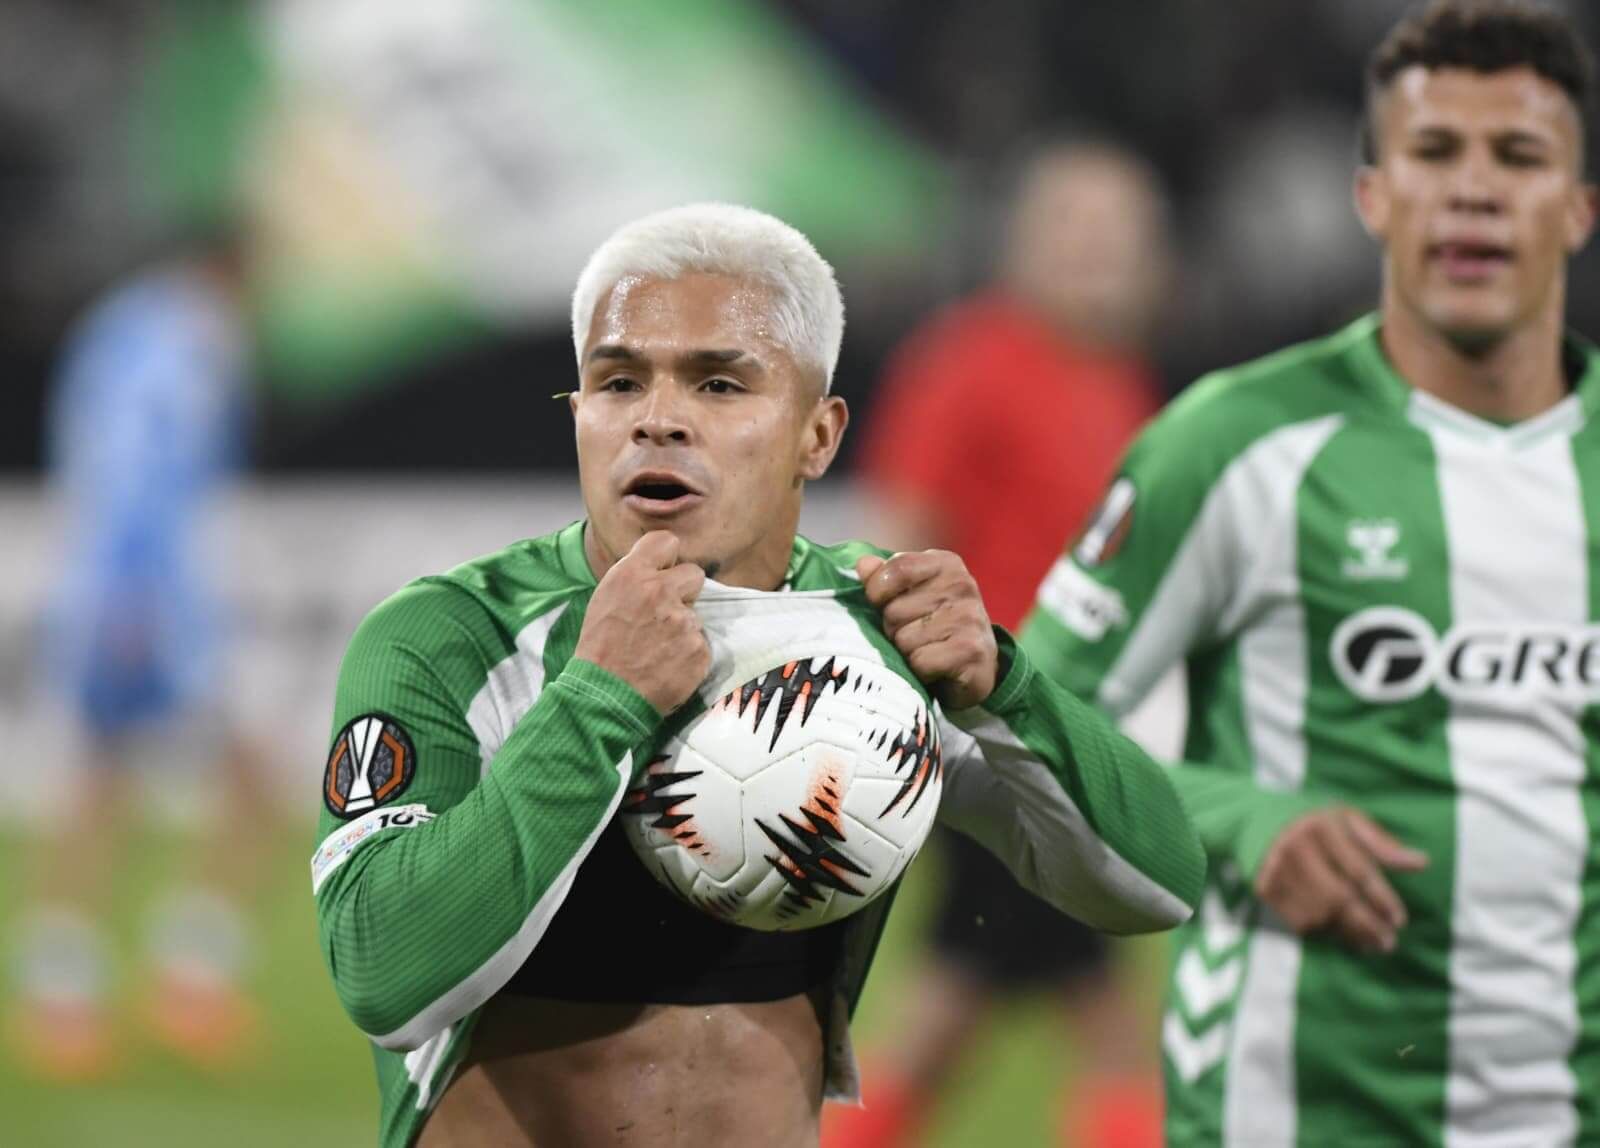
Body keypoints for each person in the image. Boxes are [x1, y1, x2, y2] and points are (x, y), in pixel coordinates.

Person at [308, 202, 1205, 1147]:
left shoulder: (873, 639)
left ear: (818, 436)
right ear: (579, 415)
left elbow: (1159, 885)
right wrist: (600, 700)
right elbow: (381, 974)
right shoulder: (452, 635)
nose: (658, 420)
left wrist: (1009, 691)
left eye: (718, 385)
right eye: (617, 383)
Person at [1021, 3, 1600, 1144]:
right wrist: (1236, 817)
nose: (1473, 190)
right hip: (1291, 1113)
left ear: (1578, 209)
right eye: (1434, 153)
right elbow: (1018, 719)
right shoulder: (1237, 441)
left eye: (1519, 156)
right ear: (1371, 198)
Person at [832, 143, 1175, 1148]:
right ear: (1025, 240)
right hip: (995, 734)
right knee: (1100, 1022)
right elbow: (897, 530)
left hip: (1057, 729)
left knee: (963, 1005)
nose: (1101, 254)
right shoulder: (970, 360)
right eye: (1079, 229)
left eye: (1121, 233)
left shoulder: (1115, 378)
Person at [9, 227, 271, 1079]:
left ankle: (72, 998)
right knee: (246, 789)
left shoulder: (118, 327)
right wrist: (132, 595)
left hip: (107, 585)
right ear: (233, 268)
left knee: (99, 790)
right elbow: (140, 470)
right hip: (145, 597)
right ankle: (180, 984)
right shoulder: (190, 337)